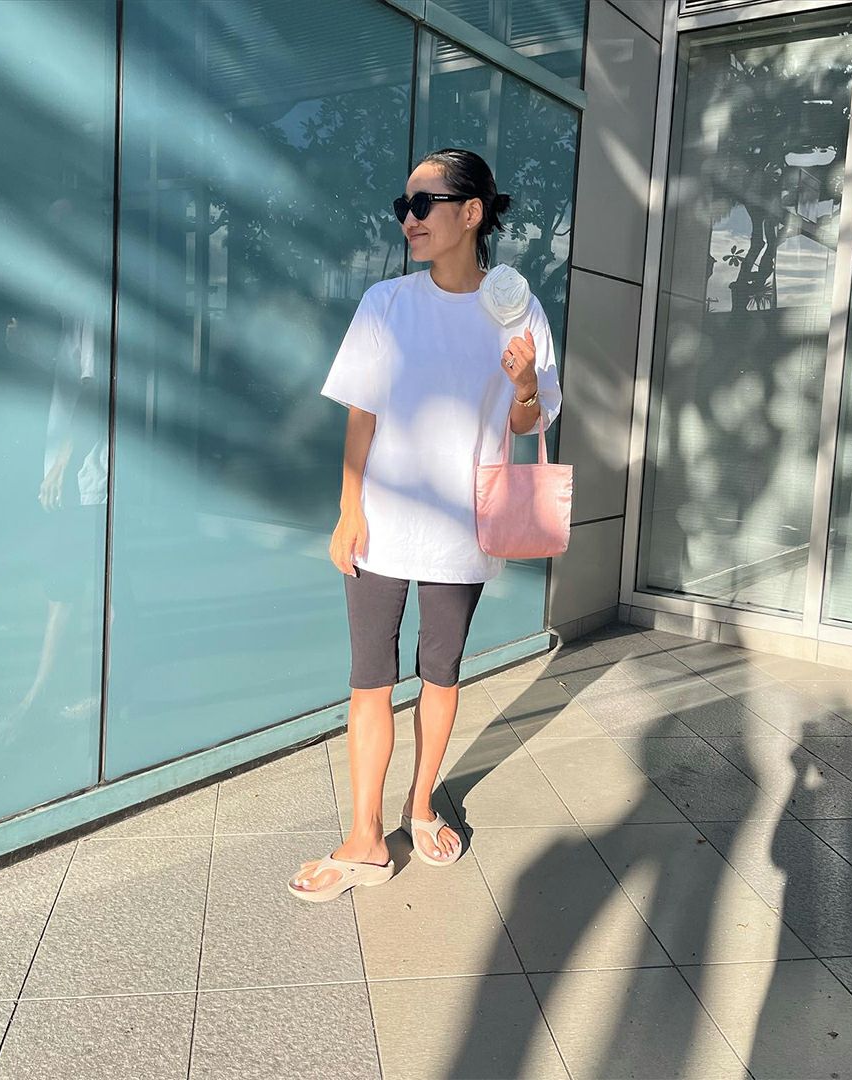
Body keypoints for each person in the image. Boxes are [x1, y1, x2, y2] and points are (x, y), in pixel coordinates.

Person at [288, 147, 562, 902]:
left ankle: (420, 807)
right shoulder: (386, 302)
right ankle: (364, 837)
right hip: (382, 521)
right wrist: (348, 510)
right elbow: (361, 416)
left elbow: (529, 420)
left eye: (422, 204)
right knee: (368, 679)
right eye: (401, 207)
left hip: (464, 524)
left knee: (441, 672)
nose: (408, 219)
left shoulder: (517, 309)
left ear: (471, 213)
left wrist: (524, 383)